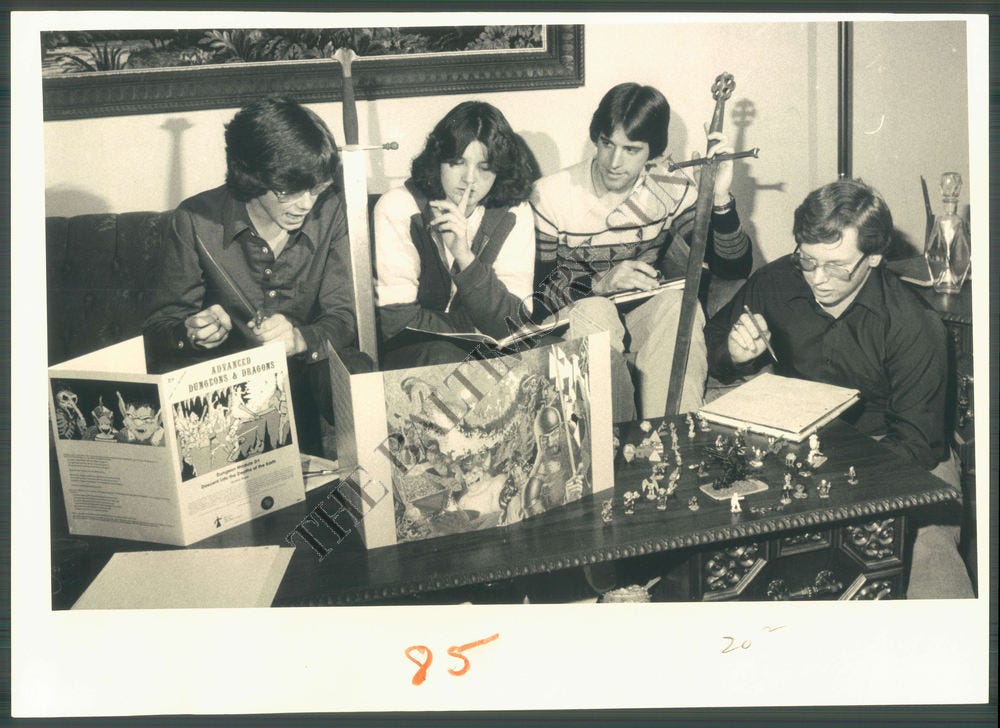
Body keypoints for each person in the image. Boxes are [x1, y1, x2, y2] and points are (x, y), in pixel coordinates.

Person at [704, 178, 973, 599]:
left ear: (876, 257)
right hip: (792, 444)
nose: (818, 278)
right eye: (808, 260)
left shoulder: (913, 325)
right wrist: (735, 354)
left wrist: (828, 483)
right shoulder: (776, 281)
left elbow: (918, 444)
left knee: (928, 556)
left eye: (837, 265)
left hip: (900, 453)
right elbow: (712, 344)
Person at [143, 96, 372, 455]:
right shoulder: (194, 219)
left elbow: (344, 317)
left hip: (305, 379)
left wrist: (300, 339)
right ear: (251, 175)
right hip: (229, 385)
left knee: (356, 367)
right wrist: (192, 332)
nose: (306, 204)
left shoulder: (333, 211)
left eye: (316, 189)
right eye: (289, 191)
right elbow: (160, 329)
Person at [531, 82, 753, 421]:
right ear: (597, 138)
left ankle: (674, 437)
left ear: (655, 153)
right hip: (578, 312)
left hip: (640, 313)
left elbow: (733, 268)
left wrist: (719, 197)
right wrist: (597, 285)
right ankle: (613, 443)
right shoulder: (551, 195)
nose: (614, 162)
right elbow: (536, 298)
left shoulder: (669, 187)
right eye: (607, 144)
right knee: (596, 312)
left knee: (680, 306)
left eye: (631, 149)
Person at [374, 100, 539, 368]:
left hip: (489, 349)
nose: (469, 179)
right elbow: (396, 321)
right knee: (446, 358)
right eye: (456, 162)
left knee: (551, 351)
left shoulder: (515, 211)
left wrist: (464, 256)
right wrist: (478, 325)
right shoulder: (398, 206)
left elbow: (515, 323)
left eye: (485, 167)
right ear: (438, 161)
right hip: (414, 353)